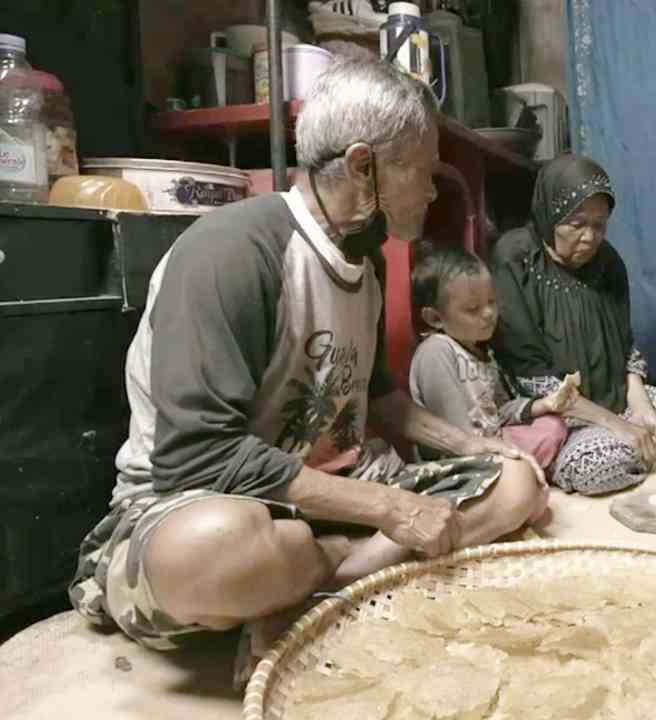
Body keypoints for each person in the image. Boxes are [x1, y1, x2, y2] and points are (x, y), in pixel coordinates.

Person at [67, 59, 548, 668]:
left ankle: (305, 595)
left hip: (327, 495)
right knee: (218, 547)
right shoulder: (231, 253)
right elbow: (199, 456)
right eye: (422, 172)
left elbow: (378, 399)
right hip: (200, 501)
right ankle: (345, 570)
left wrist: (475, 447)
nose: (431, 190)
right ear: (360, 166)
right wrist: (390, 510)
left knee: (515, 486)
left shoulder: (368, 263)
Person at [490, 154, 656, 496]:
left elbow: (625, 349)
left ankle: (645, 448)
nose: (590, 237)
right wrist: (617, 426)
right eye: (577, 224)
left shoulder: (608, 262)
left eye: (600, 225)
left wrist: (643, 411)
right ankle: (635, 452)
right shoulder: (515, 259)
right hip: (559, 416)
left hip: (617, 396)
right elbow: (535, 381)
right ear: (550, 215)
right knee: (601, 465)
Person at [408, 245, 573, 475]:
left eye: (492, 302)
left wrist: (542, 405)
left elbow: (499, 412)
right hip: (459, 459)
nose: (488, 313)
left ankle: (522, 472)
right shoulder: (436, 351)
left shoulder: (482, 352)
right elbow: (455, 435)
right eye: (473, 308)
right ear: (435, 317)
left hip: (492, 442)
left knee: (551, 425)